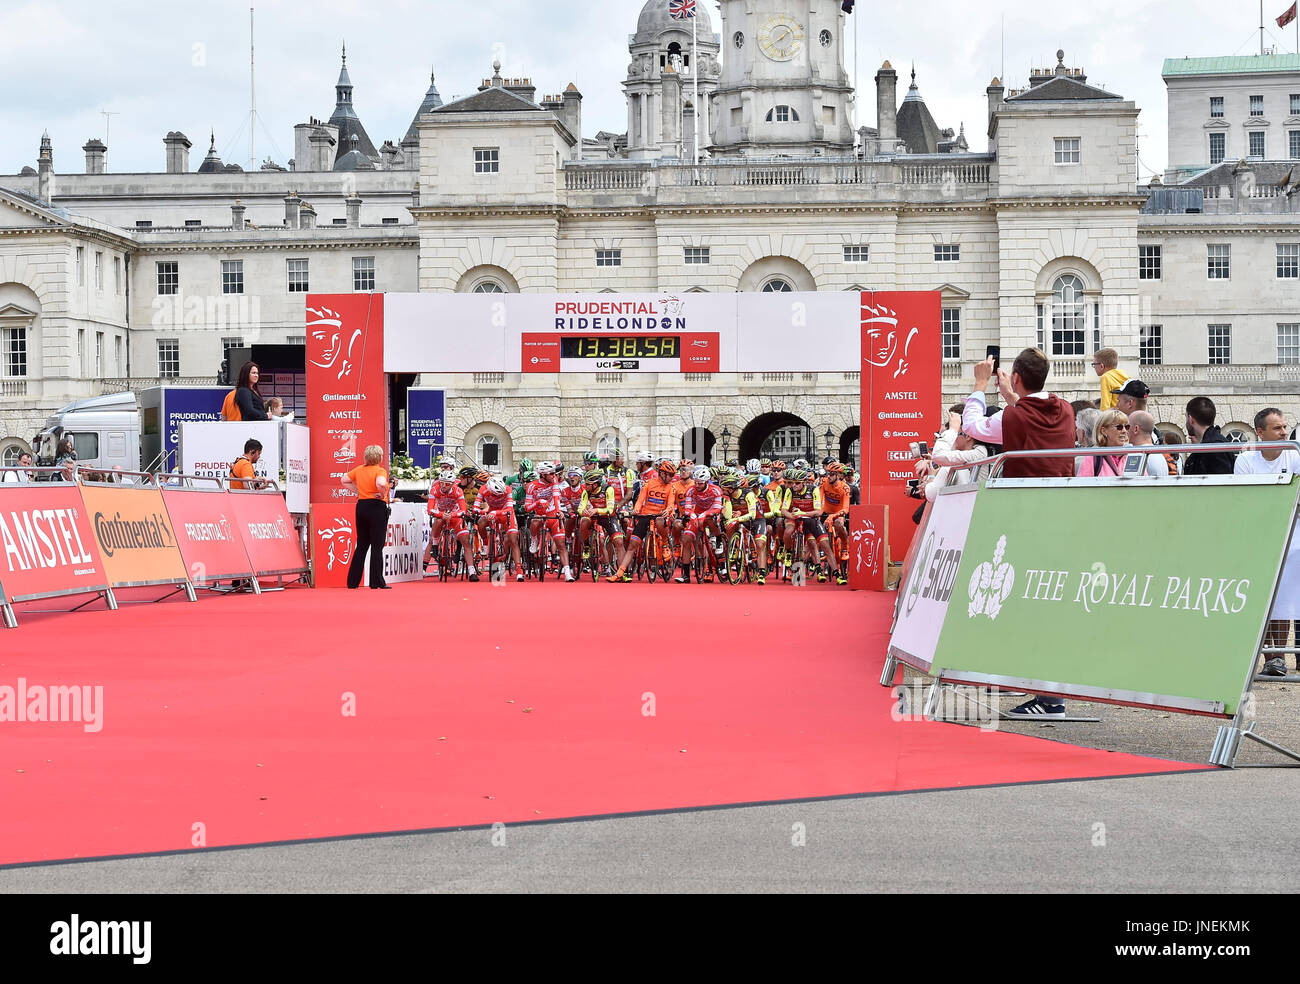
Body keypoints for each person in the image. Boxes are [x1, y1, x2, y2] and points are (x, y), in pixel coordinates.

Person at [997, 348, 1075, 718]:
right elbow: (1030, 418)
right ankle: (1042, 689)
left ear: (1016, 377)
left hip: (1027, 518)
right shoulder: (1066, 410)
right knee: (1042, 603)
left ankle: (1051, 699)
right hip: (1058, 516)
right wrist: (1012, 397)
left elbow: (975, 428)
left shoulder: (1014, 416)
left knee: (1033, 605)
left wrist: (981, 388)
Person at [1235, 408, 1300, 676]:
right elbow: (1247, 501)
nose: (1284, 432)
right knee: (1269, 597)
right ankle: (1273, 656)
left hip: (1293, 536)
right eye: (1277, 428)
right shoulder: (1246, 461)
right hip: (1261, 536)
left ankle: (1283, 656)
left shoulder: (1295, 456)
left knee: (1287, 597)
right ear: (1260, 433)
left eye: (1285, 427)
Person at [999, 347, 1076, 480]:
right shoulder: (1067, 409)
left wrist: (981, 382)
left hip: (1025, 493)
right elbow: (1031, 410)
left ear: (1016, 378)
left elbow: (972, 427)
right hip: (1062, 490)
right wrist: (1009, 394)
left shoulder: (1011, 416)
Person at [340, 444, 391, 589]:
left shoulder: (359, 470)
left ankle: (352, 581)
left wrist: (357, 490)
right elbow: (380, 483)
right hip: (376, 507)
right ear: (379, 457)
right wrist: (382, 494)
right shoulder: (380, 470)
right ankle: (376, 581)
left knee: (362, 545)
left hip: (361, 506)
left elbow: (344, 480)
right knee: (377, 545)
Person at [1183, 397, 1237, 475]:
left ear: (1191, 419)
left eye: (1186, 417)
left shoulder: (1214, 448)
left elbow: (1221, 484)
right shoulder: (1213, 443)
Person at [1076, 410, 1129, 477]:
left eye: (1127, 427)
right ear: (1104, 431)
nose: (1124, 431)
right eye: (1119, 427)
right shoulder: (1092, 458)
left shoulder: (1134, 457)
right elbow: (1083, 485)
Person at [1128, 411, 1170, 477]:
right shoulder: (1159, 455)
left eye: (1127, 427)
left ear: (1136, 429)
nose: (1124, 430)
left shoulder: (1137, 456)